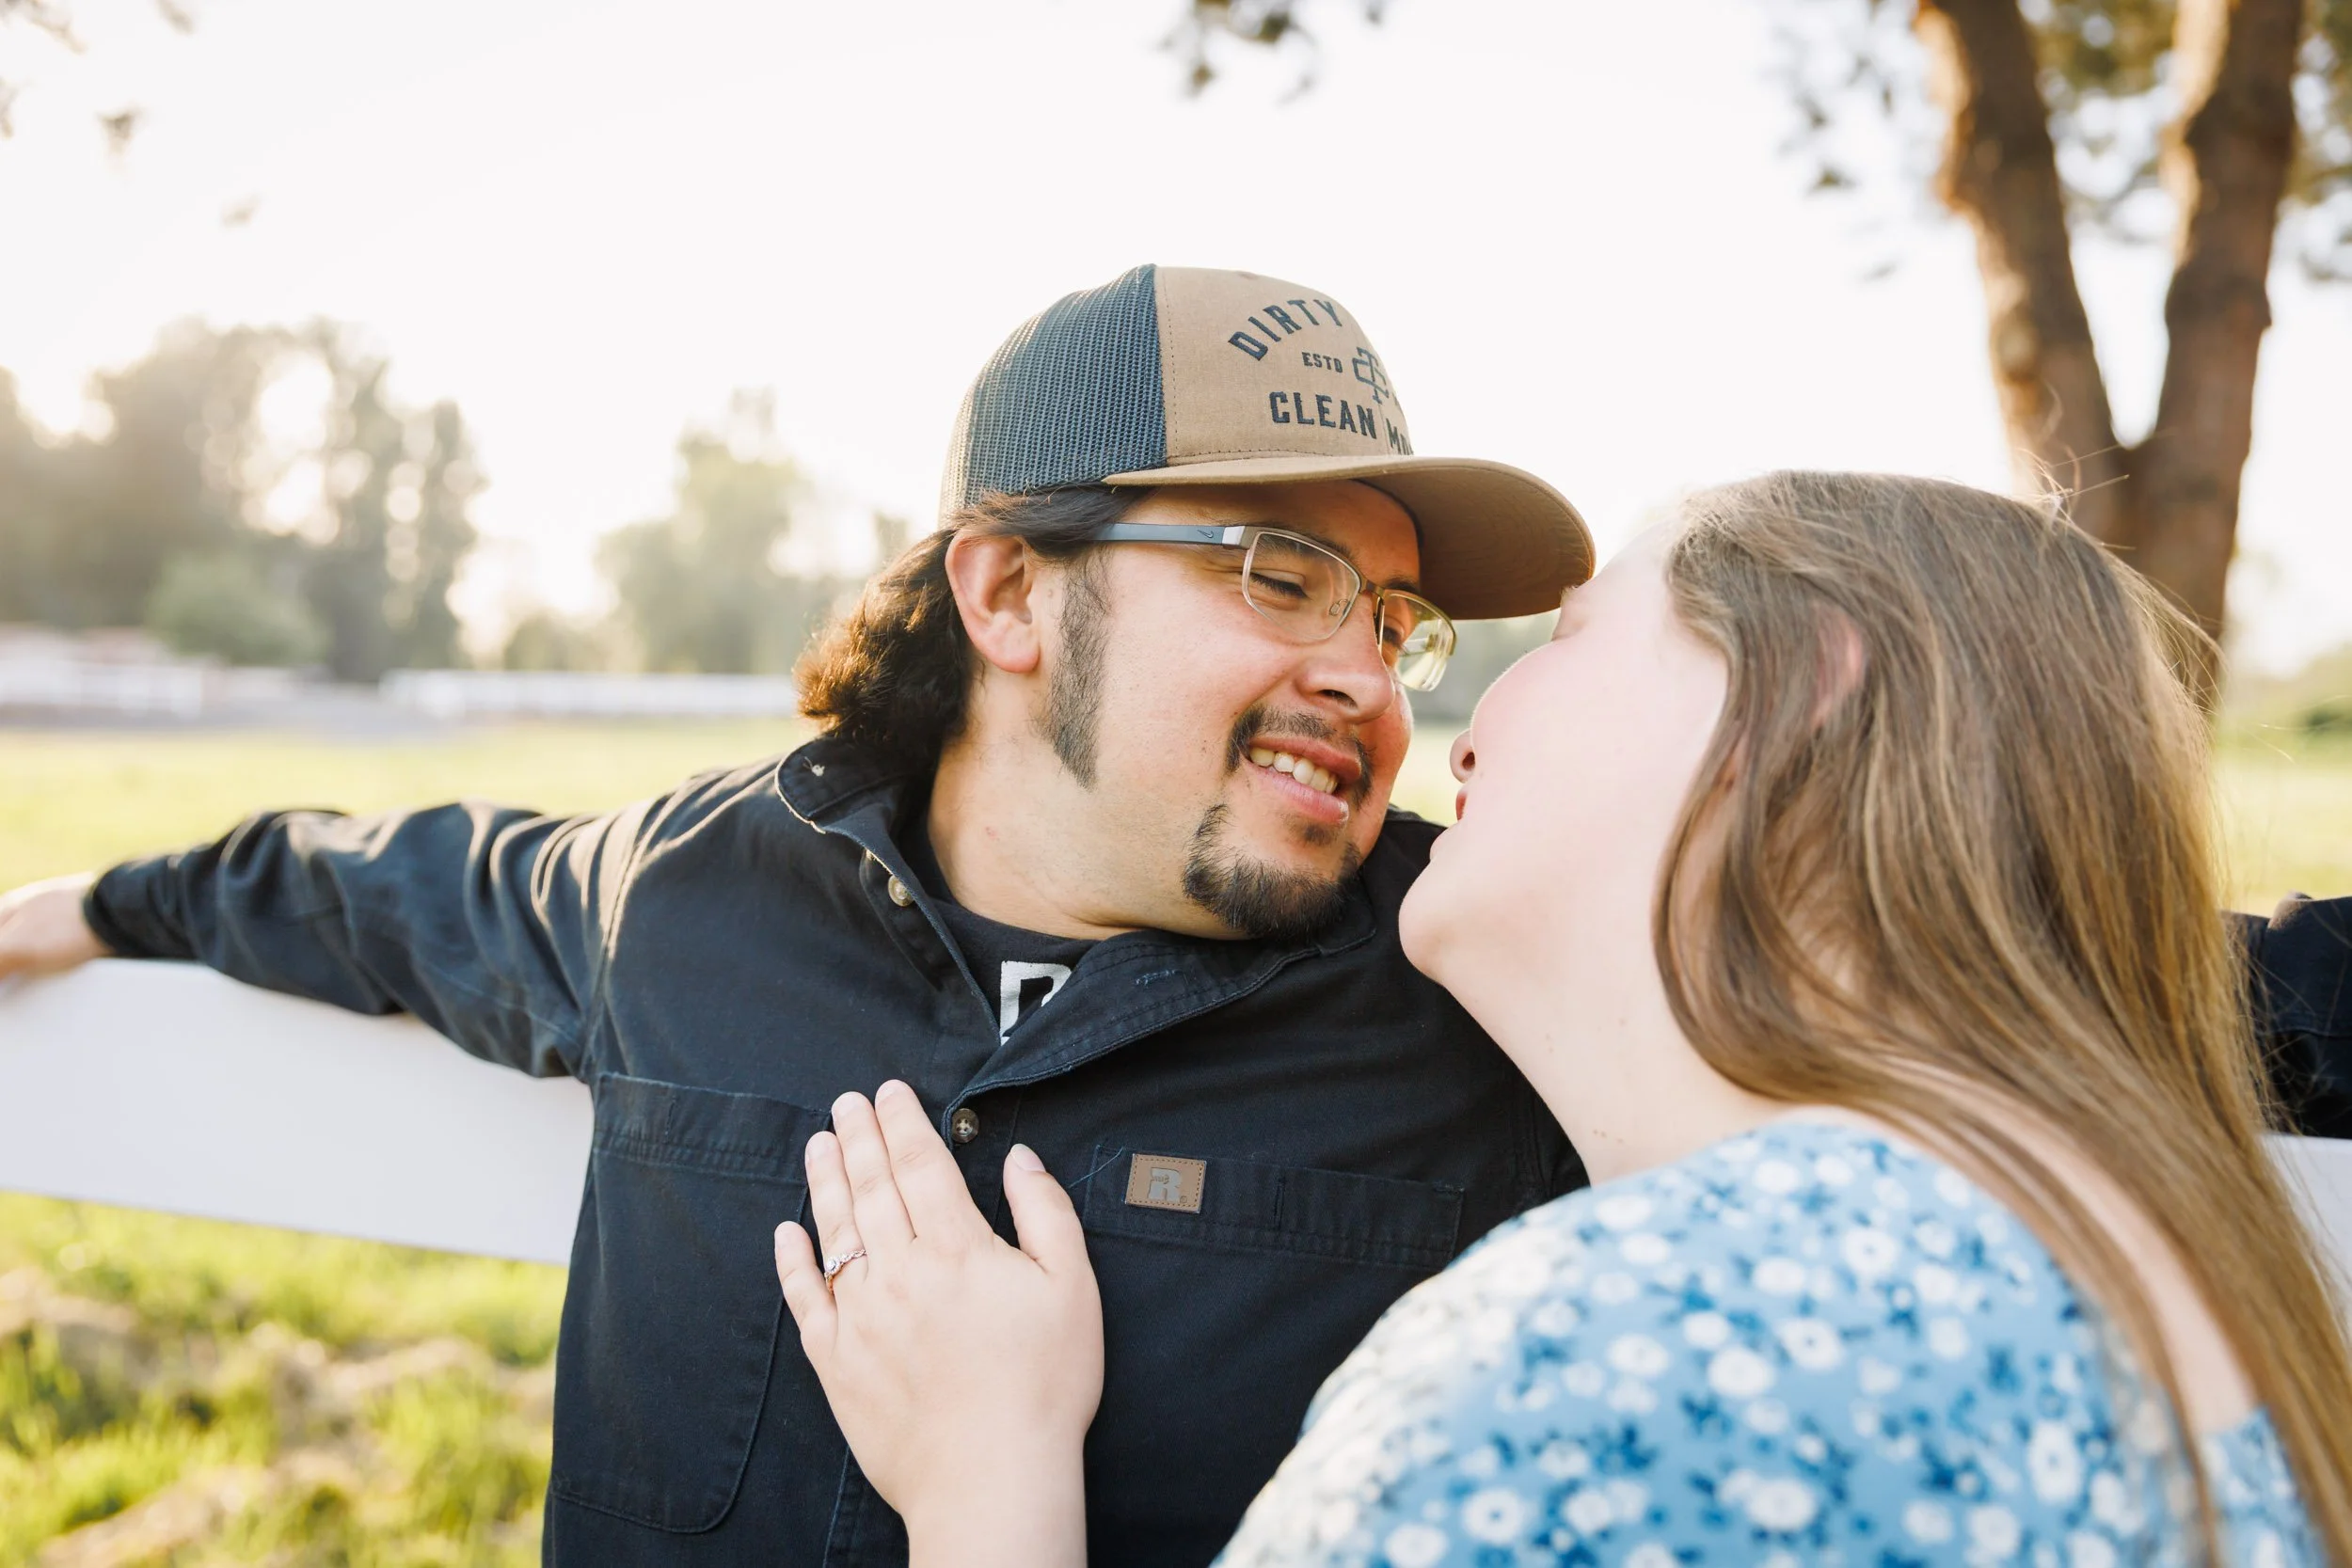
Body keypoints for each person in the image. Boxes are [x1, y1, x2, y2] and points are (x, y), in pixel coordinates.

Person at [0, 268, 2342, 1563]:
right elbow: (352, 884)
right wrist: (83, 909)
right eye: (1277, 568)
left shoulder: (1502, 989)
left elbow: (2028, 960)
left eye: (1397, 613)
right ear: (1008, 591)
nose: (1367, 665)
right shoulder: (686, 894)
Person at [774, 474, 2351, 1568]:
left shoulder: (1599, 1361)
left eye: (1576, 636)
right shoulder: (2174, 1287)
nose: (1426, 717)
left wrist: (987, 1474)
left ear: (1799, 700)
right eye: (1284, 581)